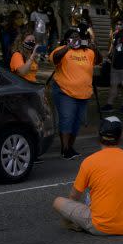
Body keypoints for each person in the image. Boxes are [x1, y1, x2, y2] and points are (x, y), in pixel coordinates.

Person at [51, 116, 123, 236]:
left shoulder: (90, 162)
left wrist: (71, 215)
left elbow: (74, 196)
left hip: (101, 227)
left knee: (58, 202)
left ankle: (74, 224)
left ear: (99, 137)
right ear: (120, 137)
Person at [51, 28, 100, 159]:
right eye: (73, 37)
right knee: (67, 119)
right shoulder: (61, 50)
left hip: (83, 93)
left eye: (78, 36)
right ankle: (65, 149)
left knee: (77, 122)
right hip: (64, 92)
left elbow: (99, 60)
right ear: (67, 39)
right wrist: (68, 47)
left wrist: (95, 48)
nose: (77, 39)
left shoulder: (88, 52)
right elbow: (55, 59)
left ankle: (70, 147)